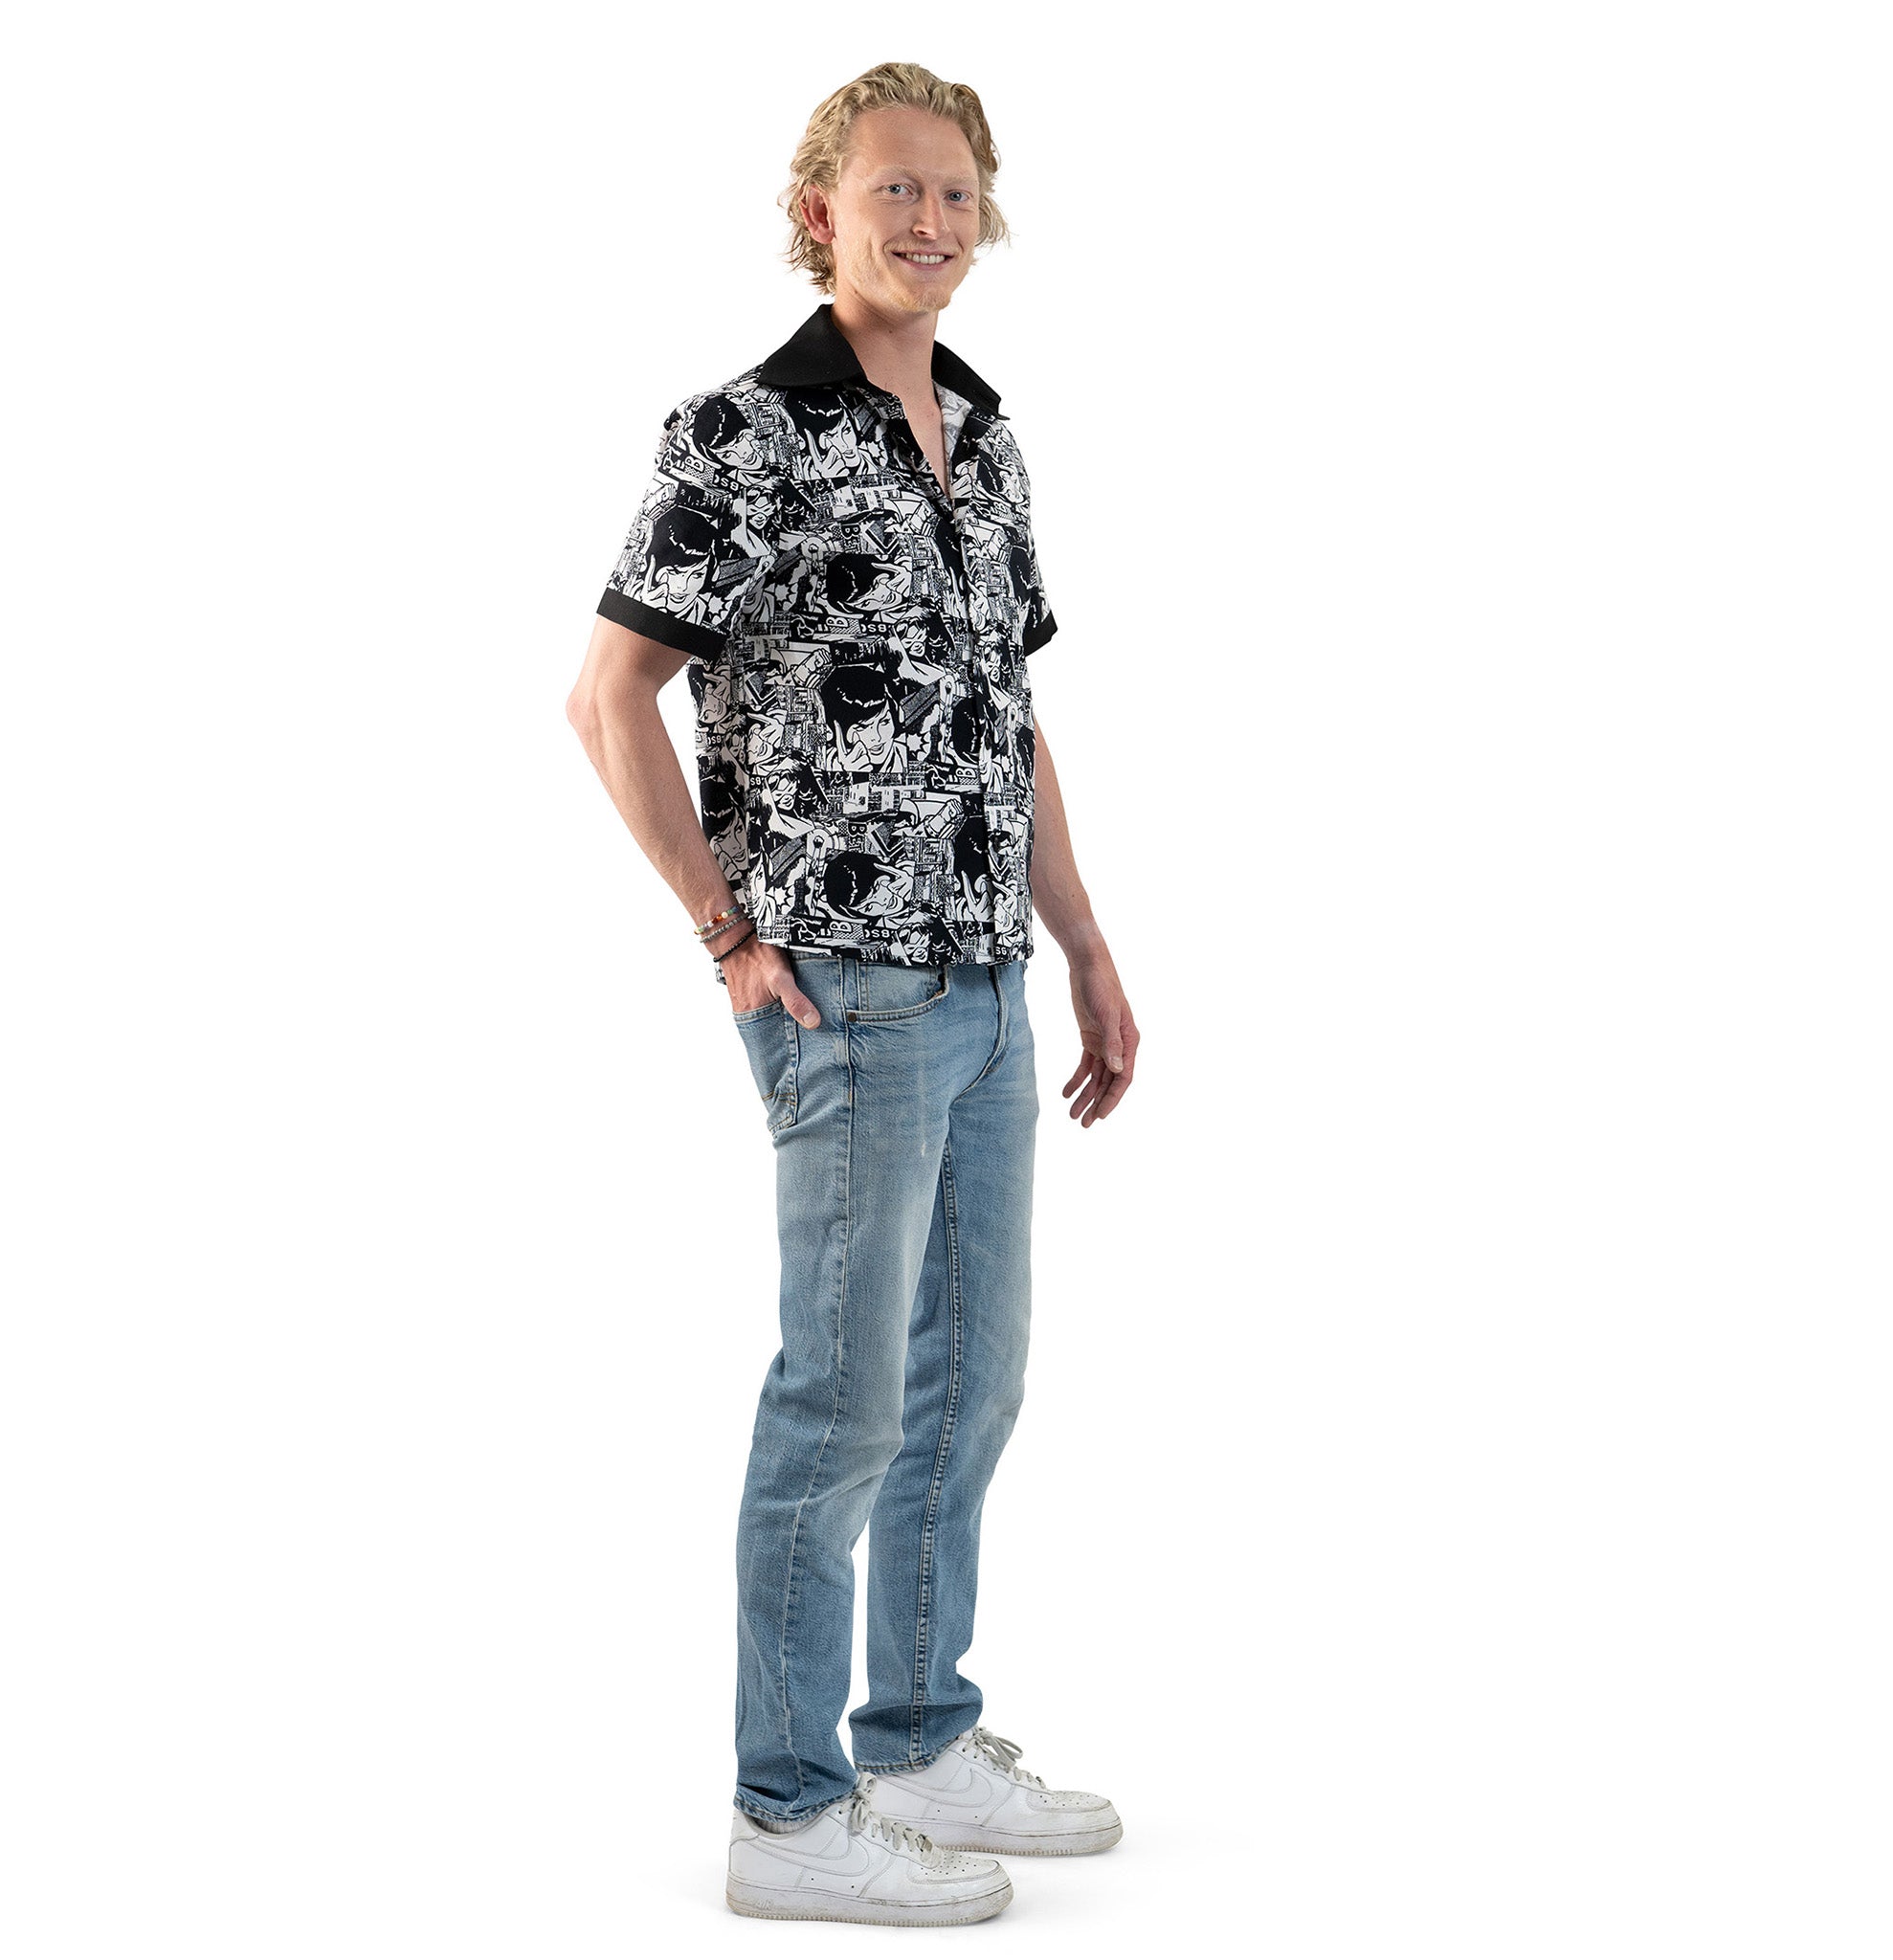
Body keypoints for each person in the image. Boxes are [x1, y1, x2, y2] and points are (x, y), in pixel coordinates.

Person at [566, 61, 1139, 1927]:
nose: (930, 222)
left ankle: (914, 1736)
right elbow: (606, 696)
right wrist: (727, 933)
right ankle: (789, 1807)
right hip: (843, 991)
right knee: (841, 1402)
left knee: (970, 1377)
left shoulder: (987, 434)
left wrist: (1086, 944)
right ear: (819, 209)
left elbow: (1011, 720)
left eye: (956, 193)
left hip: (985, 981)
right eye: (894, 188)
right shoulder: (742, 432)